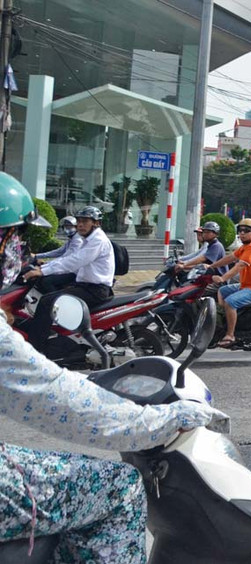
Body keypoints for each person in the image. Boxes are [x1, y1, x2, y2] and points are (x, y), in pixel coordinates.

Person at [0, 176, 226, 563]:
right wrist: (165, 419)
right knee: (120, 487)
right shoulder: (79, 240)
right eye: (13, 239)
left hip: (96, 293)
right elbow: (52, 397)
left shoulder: (99, 241)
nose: (16, 250)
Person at [23, 206, 115, 351]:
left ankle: (36, 348)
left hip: (95, 290)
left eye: (85, 221)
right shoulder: (87, 239)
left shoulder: (98, 240)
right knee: (51, 297)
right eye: (78, 221)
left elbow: (74, 261)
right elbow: (67, 256)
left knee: (48, 302)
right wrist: (42, 266)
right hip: (85, 286)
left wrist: (43, 271)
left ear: (96, 223)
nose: (80, 225)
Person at [206, 218, 251, 347]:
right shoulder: (244, 247)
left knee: (230, 302)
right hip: (246, 285)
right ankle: (230, 319)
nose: (242, 234)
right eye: (240, 231)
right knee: (222, 291)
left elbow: (240, 266)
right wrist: (212, 266)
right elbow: (230, 258)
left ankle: (230, 335)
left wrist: (223, 278)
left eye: (246, 231)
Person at [32, 216, 83, 293]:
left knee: (46, 281)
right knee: (40, 278)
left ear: (76, 227)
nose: (67, 228)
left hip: (73, 272)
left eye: (70, 226)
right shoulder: (72, 239)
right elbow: (59, 252)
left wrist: (45, 265)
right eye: (65, 226)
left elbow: (65, 258)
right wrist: (37, 256)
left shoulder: (78, 241)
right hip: (66, 268)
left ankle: (57, 301)